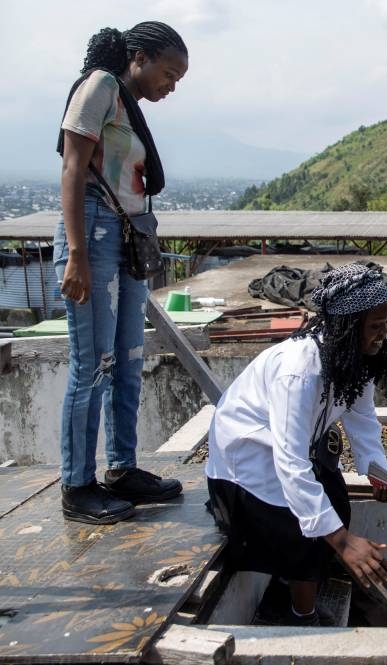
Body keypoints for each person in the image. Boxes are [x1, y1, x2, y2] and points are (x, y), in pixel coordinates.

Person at [205, 262, 387, 627]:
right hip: (242, 470)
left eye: (386, 325)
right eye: (375, 327)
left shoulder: (354, 361)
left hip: (279, 455)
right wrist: (343, 544)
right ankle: (301, 615)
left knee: (334, 500)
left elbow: (363, 424)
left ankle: (294, 586)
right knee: (304, 530)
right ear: (347, 326)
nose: (382, 335)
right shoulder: (298, 370)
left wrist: (380, 475)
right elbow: (290, 460)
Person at [54, 22, 189, 524]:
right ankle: (77, 485)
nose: (170, 86)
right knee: (92, 366)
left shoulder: (126, 104)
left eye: (177, 79)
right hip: (93, 234)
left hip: (128, 238)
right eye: (168, 73)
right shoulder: (100, 87)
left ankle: (122, 469)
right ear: (139, 58)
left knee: (128, 361)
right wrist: (76, 254)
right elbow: (72, 169)